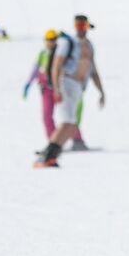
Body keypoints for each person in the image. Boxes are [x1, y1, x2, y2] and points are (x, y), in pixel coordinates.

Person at [37, 15, 105, 168]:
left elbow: (93, 70)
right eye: (78, 25)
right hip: (67, 82)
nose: (81, 28)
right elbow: (56, 66)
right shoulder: (68, 42)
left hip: (79, 86)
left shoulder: (89, 45)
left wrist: (101, 91)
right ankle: (48, 154)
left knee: (72, 123)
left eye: (84, 25)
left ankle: (52, 154)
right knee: (67, 122)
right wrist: (56, 88)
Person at [24, 30, 86, 147]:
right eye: (48, 39)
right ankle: (53, 143)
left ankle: (77, 140)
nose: (50, 42)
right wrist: (28, 83)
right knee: (47, 115)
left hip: (61, 87)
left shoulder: (62, 52)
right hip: (46, 89)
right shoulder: (43, 54)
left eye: (53, 39)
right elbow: (35, 69)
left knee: (68, 116)